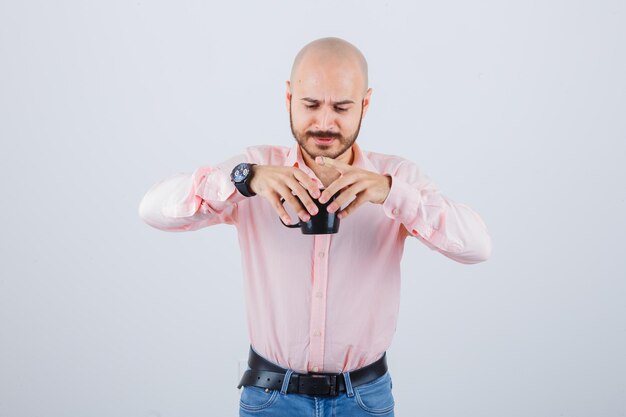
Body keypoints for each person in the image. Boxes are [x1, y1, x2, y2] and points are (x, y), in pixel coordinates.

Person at [138, 36, 492, 417]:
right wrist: (243, 181)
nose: (325, 123)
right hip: (269, 397)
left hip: (365, 399)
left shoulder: (396, 177)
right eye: (310, 105)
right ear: (288, 98)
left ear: (365, 105)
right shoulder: (256, 169)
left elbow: (476, 246)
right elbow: (152, 209)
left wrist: (390, 192)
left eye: (342, 107)